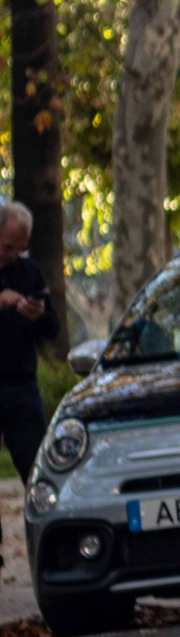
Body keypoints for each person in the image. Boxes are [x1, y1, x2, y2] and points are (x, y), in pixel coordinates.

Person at [0, 200, 57, 484]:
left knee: (37, 473)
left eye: (20, 248)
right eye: (8, 247)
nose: (13, 254)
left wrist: (39, 315)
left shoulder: (29, 271)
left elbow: (52, 330)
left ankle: (39, 527)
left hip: (22, 386)